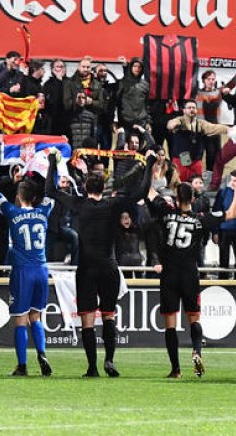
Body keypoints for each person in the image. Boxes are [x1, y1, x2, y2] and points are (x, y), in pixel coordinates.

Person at [46, 150, 155, 377]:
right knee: (108, 315)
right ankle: (110, 360)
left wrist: (52, 164)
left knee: (87, 319)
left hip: (86, 269)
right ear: (103, 187)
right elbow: (142, 191)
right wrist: (150, 164)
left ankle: (92, 367)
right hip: (109, 267)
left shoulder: (79, 204)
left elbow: (50, 190)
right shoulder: (113, 205)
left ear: (86, 188)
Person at [146, 180, 221, 378]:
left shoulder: (167, 212)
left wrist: (149, 167)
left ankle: (175, 369)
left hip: (169, 274)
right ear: (193, 199)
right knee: (194, 318)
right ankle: (196, 352)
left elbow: (150, 192)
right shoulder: (200, 219)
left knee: (170, 324)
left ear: (177, 199)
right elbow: (231, 214)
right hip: (190, 274)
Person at [0, 174, 54, 377]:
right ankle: (42, 353)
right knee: (36, 317)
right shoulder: (43, 211)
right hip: (42, 270)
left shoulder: (12, 211)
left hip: (22, 271)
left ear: (18, 196)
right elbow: (52, 192)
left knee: (20, 319)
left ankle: (22, 365)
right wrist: (53, 165)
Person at [166, 99, 229, 182]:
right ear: (184, 110)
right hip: (180, 162)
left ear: (196, 110)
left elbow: (214, 127)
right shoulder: (179, 120)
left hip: (196, 162)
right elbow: (170, 124)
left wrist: (230, 129)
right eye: (189, 108)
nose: (192, 109)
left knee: (197, 188)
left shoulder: (201, 124)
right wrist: (172, 125)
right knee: (179, 187)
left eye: (193, 108)